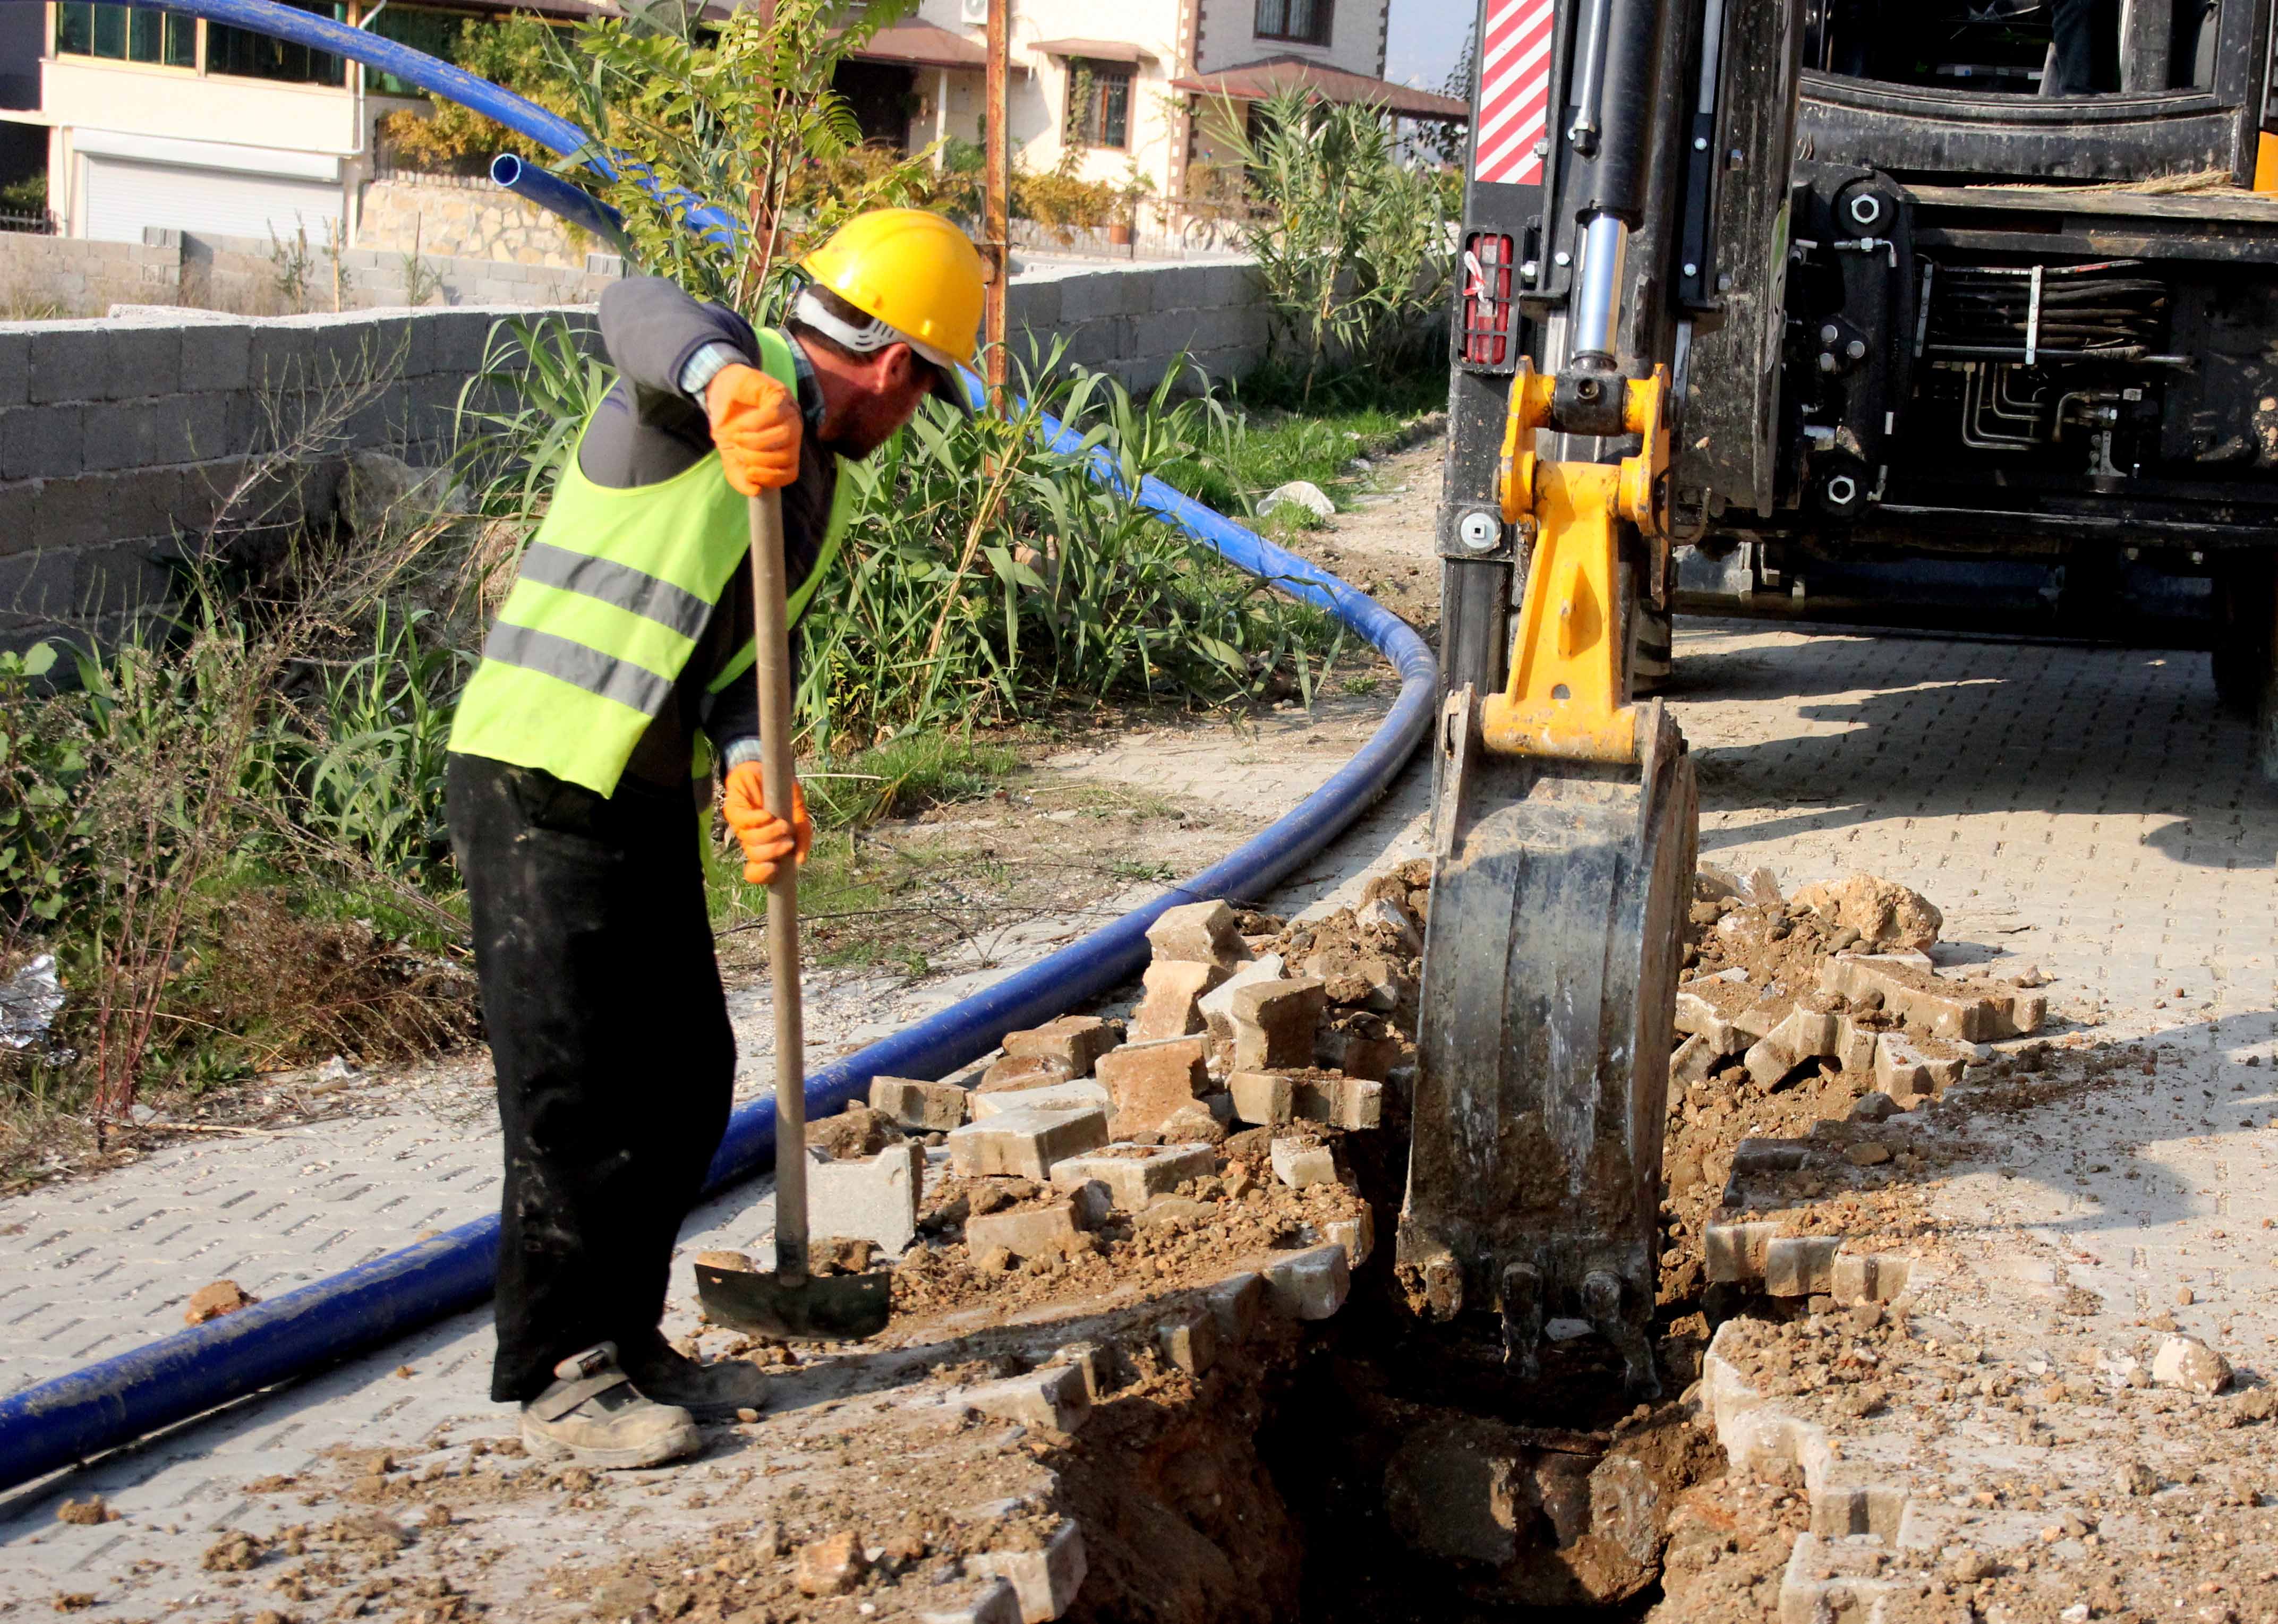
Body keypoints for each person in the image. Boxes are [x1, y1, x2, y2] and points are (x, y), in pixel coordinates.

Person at [443, 208, 986, 1469]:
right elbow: (631, 306)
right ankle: (558, 1377)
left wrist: (751, 765)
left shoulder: (815, 491)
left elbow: (744, 657)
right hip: (535, 769)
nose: (911, 424)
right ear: (897, 367)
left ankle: (627, 1337)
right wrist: (721, 374)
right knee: (572, 1092)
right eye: (924, 395)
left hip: (636, 791)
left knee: (685, 1070)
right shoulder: (714, 383)